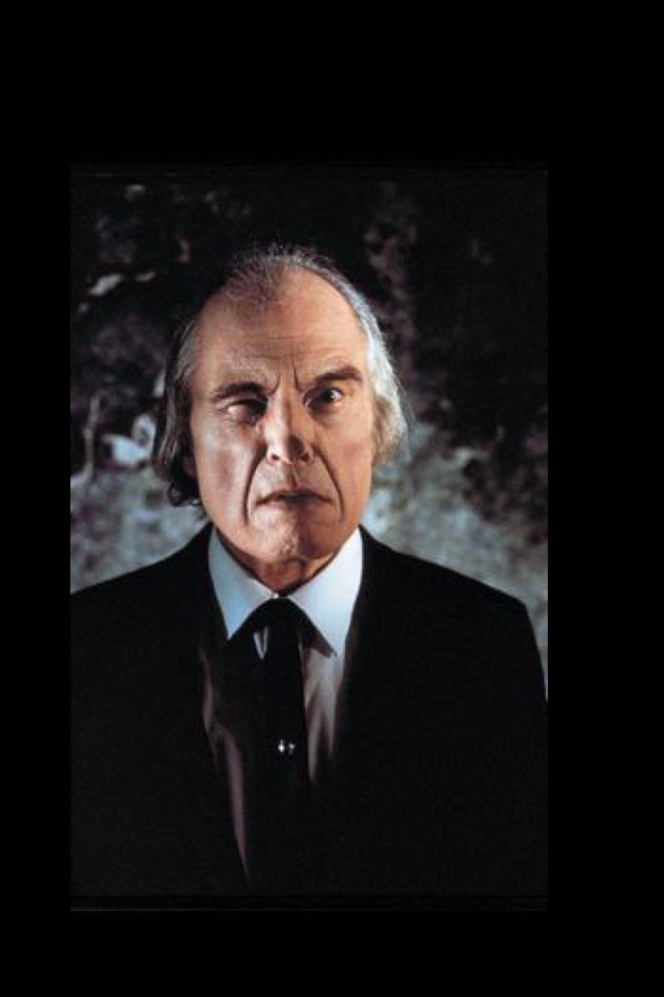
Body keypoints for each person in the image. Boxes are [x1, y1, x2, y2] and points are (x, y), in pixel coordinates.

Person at [71, 244, 547, 906]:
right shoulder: (87, 650)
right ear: (184, 441)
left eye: (327, 395)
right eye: (245, 403)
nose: (288, 440)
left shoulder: (485, 645)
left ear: (378, 423)